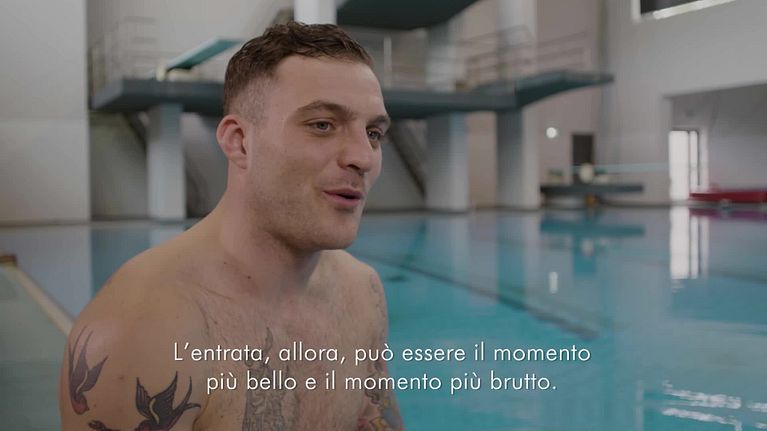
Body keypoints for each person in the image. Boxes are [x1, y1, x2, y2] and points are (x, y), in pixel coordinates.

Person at [59, 21, 403, 431]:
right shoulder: (139, 330)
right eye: (322, 125)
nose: (363, 157)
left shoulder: (362, 293)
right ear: (239, 142)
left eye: (373, 133)